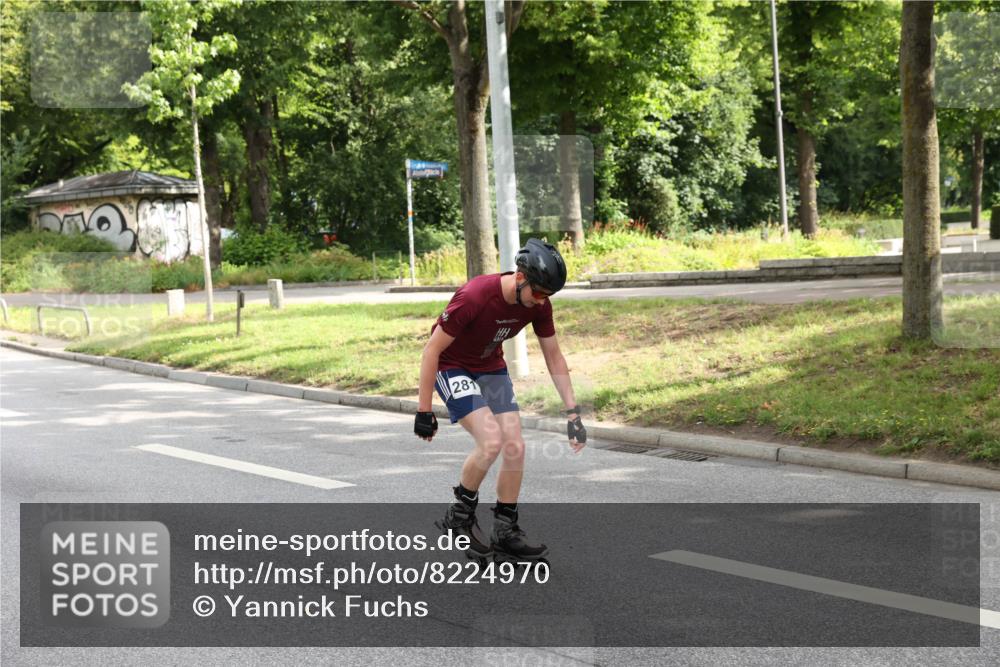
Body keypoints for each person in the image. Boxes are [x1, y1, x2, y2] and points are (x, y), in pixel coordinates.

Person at [413, 238, 587, 563]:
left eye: (546, 297)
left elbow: (554, 357)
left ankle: (506, 531)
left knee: (515, 446)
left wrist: (572, 414)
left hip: (490, 366)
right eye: (537, 293)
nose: (540, 302)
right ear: (520, 278)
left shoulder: (539, 304)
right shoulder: (476, 295)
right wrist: (424, 409)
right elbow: (432, 350)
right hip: (452, 366)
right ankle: (459, 516)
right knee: (491, 440)